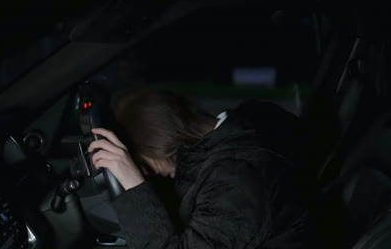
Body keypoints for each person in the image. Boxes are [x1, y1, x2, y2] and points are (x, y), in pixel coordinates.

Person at [88, 88, 311, 249]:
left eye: (145, 165)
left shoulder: (238, 174)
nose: (152, 174)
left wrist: (134, 186)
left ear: (161, 143)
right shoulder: (231, 140)